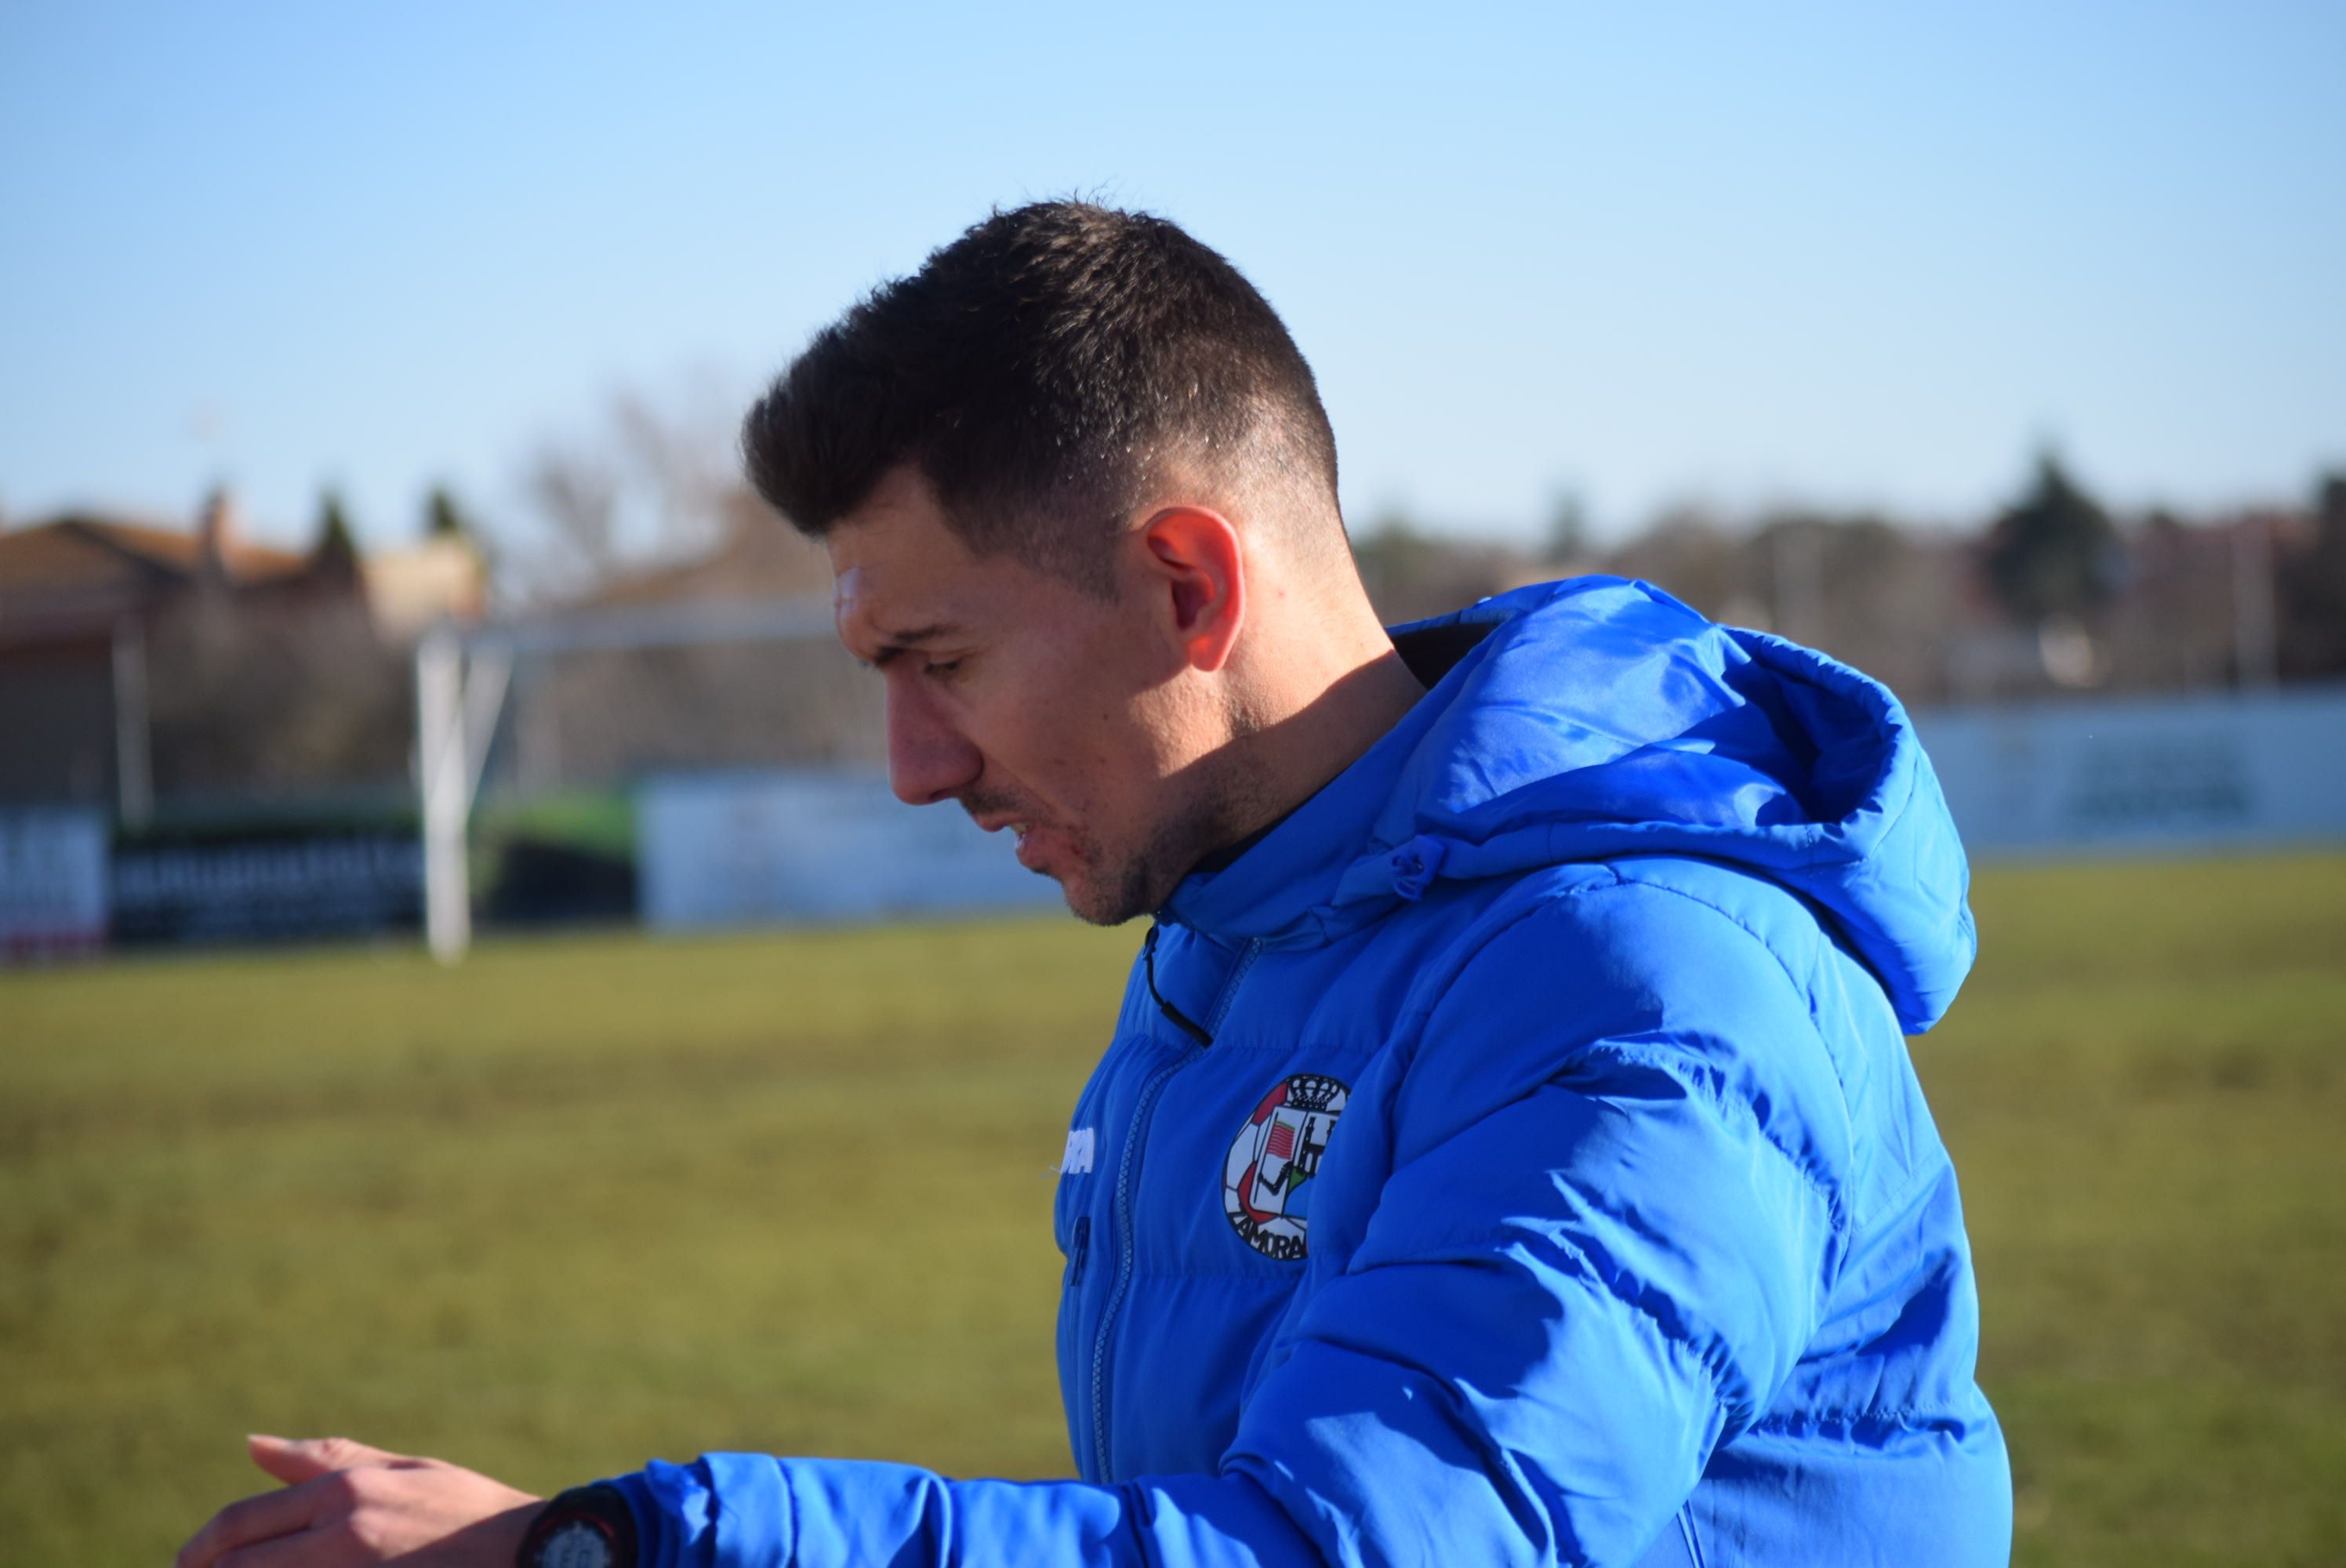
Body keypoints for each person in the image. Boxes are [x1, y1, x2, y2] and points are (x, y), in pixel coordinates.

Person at [179, 201, 2012, 1568]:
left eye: (943, 662)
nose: (912, 765)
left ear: (1188, 590)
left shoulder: (1638, 985)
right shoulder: (1250, 916)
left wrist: (617, 1546)